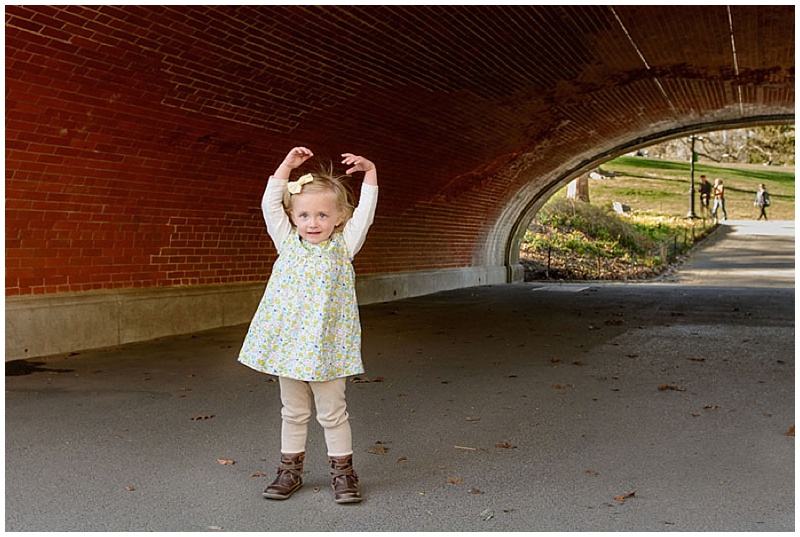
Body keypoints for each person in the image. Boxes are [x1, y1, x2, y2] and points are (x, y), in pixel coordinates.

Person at [238, 146, 378, 504]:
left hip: (329, 347)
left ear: (339, 218)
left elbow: (367, 212)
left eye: (321, 215)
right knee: (294, 411)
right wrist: (286, 166)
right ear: (292, 216)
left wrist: (371, 172)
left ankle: (343, 473)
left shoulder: (344, 246)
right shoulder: (286, 243)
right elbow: (269, 203)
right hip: (288, 347)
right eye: (304, 215)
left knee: (333, 412)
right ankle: (289, 471)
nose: (312, 223)